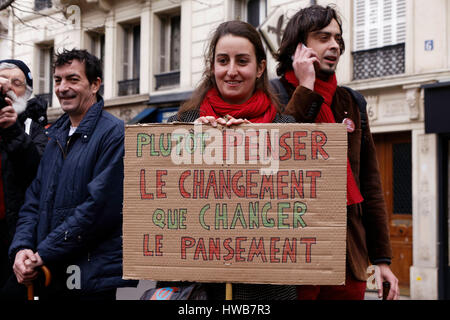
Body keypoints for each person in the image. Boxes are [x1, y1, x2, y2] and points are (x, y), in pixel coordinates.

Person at [272, 4, 399, 300]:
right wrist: (306, 87)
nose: (334, 46)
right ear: (299, 47)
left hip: (345, 258)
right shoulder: (273, 94)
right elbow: (278, 155)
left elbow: (370, 184)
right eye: (323, 37)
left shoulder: (351, 101)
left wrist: (382, 260)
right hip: (293, 256)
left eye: (337, 39)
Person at [163, 20, 297, 300]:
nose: (232, 71)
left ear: (260, 68)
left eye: (242, 61)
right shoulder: (182, 124)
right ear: (213, 67)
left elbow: (295, 208)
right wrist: (195, 147)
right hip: (199, 289)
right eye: (223, 61)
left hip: (268, 290)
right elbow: (163, 207)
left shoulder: (286, 129)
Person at [8, 49, 137, 300]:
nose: (62, 88)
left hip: (90, 279)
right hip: (50, 271)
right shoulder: (54, 134)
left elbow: (97, 209)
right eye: (58, 80)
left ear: (95, 84)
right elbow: (33, 200)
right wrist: (22, 248)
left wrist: (41, 253)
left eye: (73, 79)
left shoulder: (115, 134)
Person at [0, 59, 48, 299]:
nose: (8, 88)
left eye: (16, 83)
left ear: (27, 93)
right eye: (2, 83)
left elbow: (37, 172)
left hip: (17, 238)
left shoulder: (37, 130)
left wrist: (11, 131)